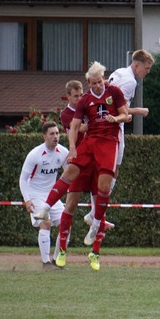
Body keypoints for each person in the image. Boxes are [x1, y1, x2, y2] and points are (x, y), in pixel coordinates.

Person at [34, 62, 131, 271]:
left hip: (106, 146)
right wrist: (72, 148)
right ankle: (57, 238)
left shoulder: (113, 92)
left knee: (103, 192)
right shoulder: (72, 110)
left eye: (99, 82)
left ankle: (95, 248)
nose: (97, 86)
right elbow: (77, 127)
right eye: (93, 84)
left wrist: (119, 117)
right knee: (70, 201)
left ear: (103, 79)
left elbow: (125, 114)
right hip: (86, 149)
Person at [81, 49, 153, 242]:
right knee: (111, 171)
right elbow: (119, 107)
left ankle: (94, 213)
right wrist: (139, 111)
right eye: (146, 68)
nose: (147, 72)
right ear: (136, 65)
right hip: (112, 129)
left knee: (107, 171)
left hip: (103, 126)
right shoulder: (130, 82)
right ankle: (95, 214)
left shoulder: (120, 71)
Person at [59, 80, 114, 239]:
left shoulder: (87, 106)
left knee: (100, 195)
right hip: (79, 160)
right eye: (75, 96)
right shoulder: (66, 114)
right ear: (68, 97)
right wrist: (99, 120)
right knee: (71, 204)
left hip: (94, 157)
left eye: (81, 95)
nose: (79, 98)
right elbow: (82, 128)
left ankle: (95, 233)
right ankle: (61, 247)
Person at [19, 121, 68, 269]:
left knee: (65, 226)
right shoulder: (35, 154)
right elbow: (23, 179)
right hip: (35, 194)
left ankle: (56, 261)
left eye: (57, 133)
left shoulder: (63, 152)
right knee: (45, 223)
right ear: (44, 136)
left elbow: (69, 173)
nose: (55, 137)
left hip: (52, 195)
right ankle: (45, 263)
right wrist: (27, 200)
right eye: (52, 134)